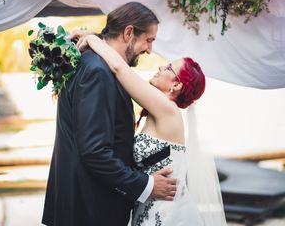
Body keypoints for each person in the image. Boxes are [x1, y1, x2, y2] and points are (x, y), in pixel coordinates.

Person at [42, 2, 177, 226]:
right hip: (89, 211)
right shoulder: (97, 71)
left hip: (80, 207)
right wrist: (147, 184)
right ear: (128, 32)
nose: (149, 50)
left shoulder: (90, 61)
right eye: (149, 40)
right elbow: (95, 151)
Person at [76, 33, 228, 225]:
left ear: (176, 84)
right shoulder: (161, 110)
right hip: (151, 205)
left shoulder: (168, 110)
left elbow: (118, 68)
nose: (160, 67)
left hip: (167, 214)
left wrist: (93, 39)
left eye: (168, 67)